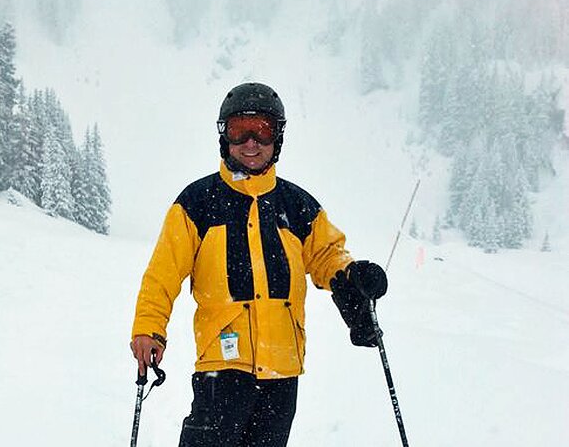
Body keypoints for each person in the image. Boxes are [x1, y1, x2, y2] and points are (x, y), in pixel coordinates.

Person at [130, 82, 388, 446]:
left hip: (282, 371)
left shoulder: (297, 205)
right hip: (222, 366)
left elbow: (327, 255)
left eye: (262, 130)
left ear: (277, 137)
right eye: (240, 131)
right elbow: (163, 273)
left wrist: (351, 276)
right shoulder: (198, 202)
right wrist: (148, 327)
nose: (251, 142)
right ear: (225, 138)